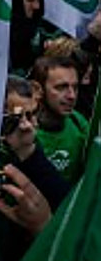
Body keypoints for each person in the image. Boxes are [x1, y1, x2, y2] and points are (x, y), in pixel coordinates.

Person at [0, 76, 69, 211]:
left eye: (31, 115)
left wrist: (27, 152)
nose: (29, 125)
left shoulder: (30, 144)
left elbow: (63, 203)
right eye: (17, 118)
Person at [31, 54, 89, 184]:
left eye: (75, 87)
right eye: (61, 87)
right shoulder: (23, 130)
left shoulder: (78, 122)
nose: (72, 96)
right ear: (37, 90)